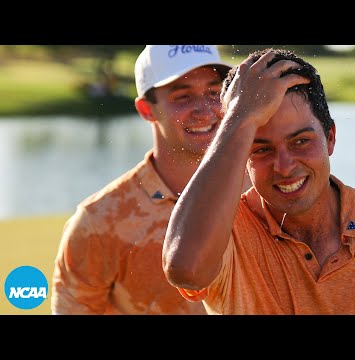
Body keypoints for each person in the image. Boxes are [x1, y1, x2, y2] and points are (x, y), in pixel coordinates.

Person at [162, 48, 355, 315]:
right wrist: (239, 118)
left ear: (330, 137)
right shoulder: (225, 236)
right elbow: (186, 269)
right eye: (261, 149)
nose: (284, 167)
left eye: (301, 142)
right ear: (242, 154)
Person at [51, 45, 252, 314]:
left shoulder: (263, 189)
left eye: (214, 93)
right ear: (146, 110)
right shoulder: (99, 221)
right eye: (183, 97)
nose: (205, 110)